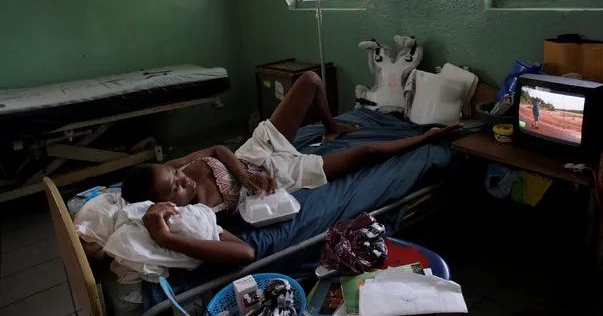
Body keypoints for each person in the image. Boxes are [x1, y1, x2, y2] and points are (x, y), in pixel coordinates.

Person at [121, 71, 462, 265]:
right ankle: (427, 137)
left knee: (311, 80)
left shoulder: (169, 170)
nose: (183, 179)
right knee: (367, 151)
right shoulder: (196, 216)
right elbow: (243, 252)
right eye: (176, 188)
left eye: (177, 174)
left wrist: (242, 173)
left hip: (256, 149)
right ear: (165, 205)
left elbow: (216, 148)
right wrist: (165, 236)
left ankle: (332, 127)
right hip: (282, 175)